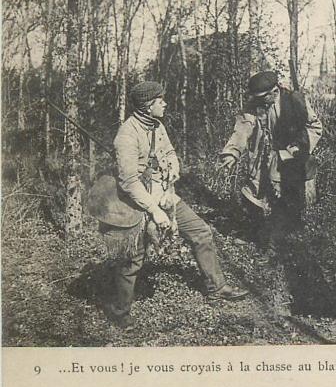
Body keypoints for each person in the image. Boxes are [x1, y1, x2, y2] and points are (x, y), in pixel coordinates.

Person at [108, 81, 247, 328]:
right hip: (137, 202)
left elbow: (170, 152)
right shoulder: (127, 136)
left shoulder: (157, 126)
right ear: (147, 106)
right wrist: (154, 211)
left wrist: (174, 169)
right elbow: (129, 182)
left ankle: (217, 286)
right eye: (160, 100)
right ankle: (120, 312)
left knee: (201, 232)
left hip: (165, 195)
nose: (165, 103)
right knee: (132, 258)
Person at [219, 71, 323, 244]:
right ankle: (256, 234)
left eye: (262, 98)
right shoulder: (254, 105)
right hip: (261, 156)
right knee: (251, 193)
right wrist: (232, 152)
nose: (258, 101)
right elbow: (243, 128)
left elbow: (314, 126)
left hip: (288, 158)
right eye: (256, 98)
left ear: (274, 92)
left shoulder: (294, 101)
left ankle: (282, 242)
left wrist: (297, 148)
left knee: (285, 200)